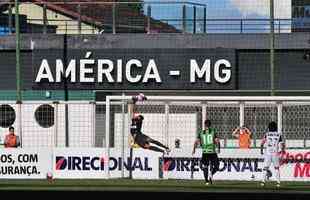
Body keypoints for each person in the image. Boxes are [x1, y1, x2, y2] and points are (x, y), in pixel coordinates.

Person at [192, 119, 220, 185]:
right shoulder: (213, 132)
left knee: (205, 166)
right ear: (210, 125)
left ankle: (206, 181)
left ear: (204, 125)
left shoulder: (201, 133)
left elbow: (196, 142)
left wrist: (194, 149)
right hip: (212, 152)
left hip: (205, 152)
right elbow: (217, 141)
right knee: (216, 166)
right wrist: (218, 148)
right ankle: (211, 174)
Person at [260, 121, 285, 188]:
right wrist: (282, 152)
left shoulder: (267, 134)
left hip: (268, 153)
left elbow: (262, 143)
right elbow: (282, 145)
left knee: (265, 168)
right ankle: (278, 183)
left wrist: (261, 150)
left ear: (269, 127)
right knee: (276, 168)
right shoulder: (279, 134)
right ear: (276, 127)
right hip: (275, 153)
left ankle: (263, 182)